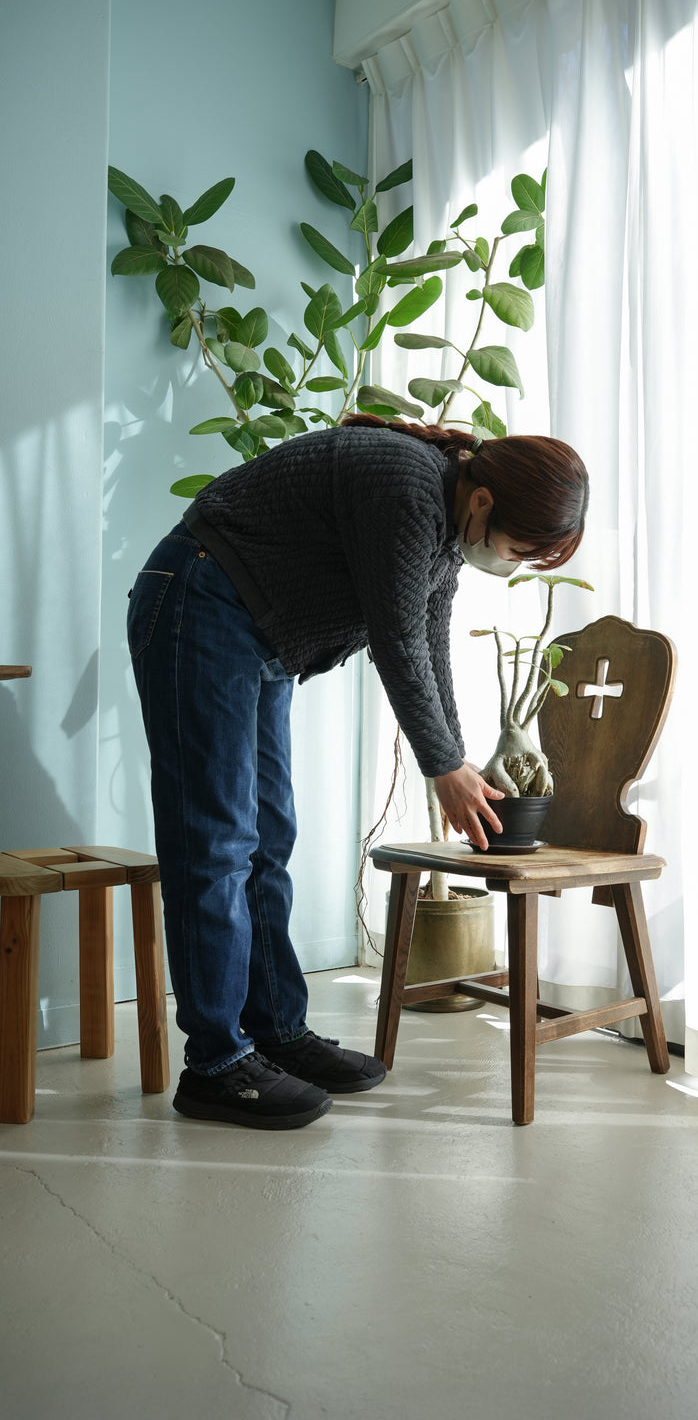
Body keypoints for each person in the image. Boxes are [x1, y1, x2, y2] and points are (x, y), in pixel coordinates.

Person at [127, 415, 589, 1129]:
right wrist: (444, 768)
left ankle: (277, 1033)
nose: (516, 565)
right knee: (215, 845)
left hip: (255, 632)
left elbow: (429, 640)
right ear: (485, 501)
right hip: (200, 601)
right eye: (522, 551)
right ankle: (216, 1065)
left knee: (267, 838)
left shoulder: (442, 528)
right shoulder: (406, 488)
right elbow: (396, 639)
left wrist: (459, 761)